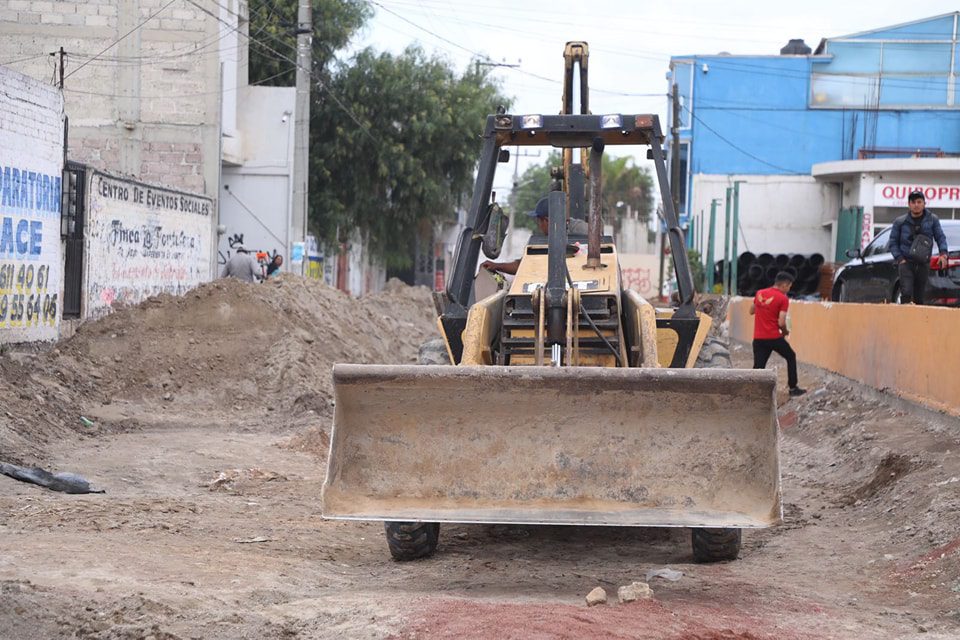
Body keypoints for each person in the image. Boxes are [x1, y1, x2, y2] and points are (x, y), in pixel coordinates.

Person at [480, 196, 590, 275]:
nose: (539, 226)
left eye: (539, 221)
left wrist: (496, 266)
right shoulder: (584, 233)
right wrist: (496, 266)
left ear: (546, 221)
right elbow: (523, 265)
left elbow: (523, 267)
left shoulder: (578, 235)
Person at [750, 271, 806, 397]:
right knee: (791, 356)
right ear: (784, 285)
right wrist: (785, 332)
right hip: (773, 337)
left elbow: (751, 310)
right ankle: (793, 388)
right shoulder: (783, 298)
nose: (789, 289)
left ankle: (754, 393)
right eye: (789, 286)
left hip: (758, 338)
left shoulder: (760, 293)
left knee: (758, 367)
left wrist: (763, 309)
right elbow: (781, 322)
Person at [887, 190, 948, 305]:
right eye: (913, 202)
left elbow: (940, 237)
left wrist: (943, 254)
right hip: (906, 263)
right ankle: (905, 319)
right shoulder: (900, 222)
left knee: (919, 297)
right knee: (906, 293)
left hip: (923, 263)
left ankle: (917, 321)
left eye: (919, 202)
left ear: (924, 203)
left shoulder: (932, 219)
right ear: (909, 204)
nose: (916, 205)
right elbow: (893, 242)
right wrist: (900, 259)